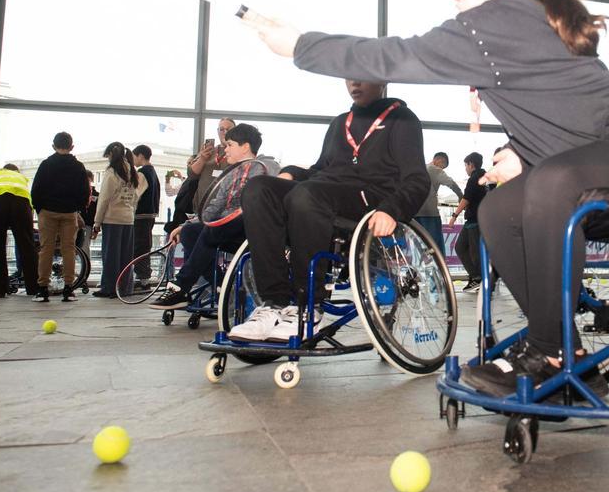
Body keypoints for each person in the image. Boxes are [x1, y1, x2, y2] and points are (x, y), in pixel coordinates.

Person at [249, 0, 609, 396]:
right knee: (499, 209)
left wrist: (300, 46)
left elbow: (398, 56)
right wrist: (518, 152)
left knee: (550, 183)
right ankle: (568, 355)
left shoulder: (501, 17)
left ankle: (552, 351)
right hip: (594, 153)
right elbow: (559, 100)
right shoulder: (516, 20)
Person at [227, 79, 429, 343]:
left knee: (306, 194)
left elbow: (417, 179)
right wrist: (294, 173)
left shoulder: (402, 119)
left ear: (381, 79)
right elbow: (321, 170)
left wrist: (391, 210)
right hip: (321, 193)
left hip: (369, 200)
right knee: (257, 188)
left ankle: (307, 305)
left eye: (362, 73)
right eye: (349, 75)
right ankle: (274, 303)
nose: (355, 82)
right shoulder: (340, 123)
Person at [149, 124, 279, 310]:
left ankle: (181, 286)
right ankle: (221, 285)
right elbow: (214, 206)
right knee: (190, 232)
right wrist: (186, 225)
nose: (225, 149)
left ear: (245, 146)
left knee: (213, 228)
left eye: (229, 145)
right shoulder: (230, 173)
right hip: (224, 229)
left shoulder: (267, 167)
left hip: (251, 229)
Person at [31, 132, 90, 302]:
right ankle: (68, 288)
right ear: (72, 146)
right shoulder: (78, 166)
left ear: (53, 146)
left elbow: (36, 190)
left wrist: (40, 208)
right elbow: (84, 191)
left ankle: (42, 289)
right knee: (69, 250)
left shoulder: (46, 165)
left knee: (46, 249)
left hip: (47, 212)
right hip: (69, 212)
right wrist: (77, 208)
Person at [92, 142, 146, 298]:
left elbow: (104, 199)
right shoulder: (132, 172)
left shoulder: (112, 173)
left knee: (111, 256)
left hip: (112, 218)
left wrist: (97, 222)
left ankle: (109, 288)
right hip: (128, 219)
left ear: (110, 155)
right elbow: (136, 197)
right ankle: (125, 288)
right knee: (126, 257)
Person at [0, 163, 38, 298]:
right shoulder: (21, 177)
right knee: (27, 247)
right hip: (20, 204)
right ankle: (33, 288)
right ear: (16, 171)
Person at [449, 152, 488, 292]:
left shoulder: (475, 178)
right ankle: (476, 277)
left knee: (475, 252)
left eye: (466, 165)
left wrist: (454, 216)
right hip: (473, 220)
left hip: (476, 220)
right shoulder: (484, 177)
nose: (465, 168)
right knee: (460, 247)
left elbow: (466, 198)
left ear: (471, 164)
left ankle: (479, 279)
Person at [414, 152, 463, 248]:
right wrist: (461, 196)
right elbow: (451, 183)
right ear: (439, 160)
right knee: (434, 245)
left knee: (418, 244)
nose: (442, 169)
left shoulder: (419, 168)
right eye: (443, 166)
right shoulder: (435, 170)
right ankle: (436, 263)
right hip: (429, 214)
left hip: (415, 213)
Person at [187, 118, 235, 215]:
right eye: (221, 129)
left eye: (228, 129)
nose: (225, 132)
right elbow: (191, 174)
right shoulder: (209, 151)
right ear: (218, 131)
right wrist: (202, 159)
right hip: (202, 206)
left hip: (226, 209)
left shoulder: (237, 152)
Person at [131, 144, 161, 288]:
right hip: (150, 214)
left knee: (139, 247)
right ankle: (143, 278)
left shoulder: (142, 173)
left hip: (141, 215)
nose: (133, 160)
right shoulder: (153, 172)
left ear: (140, 156)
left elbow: (135, 195)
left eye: (134, 157)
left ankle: (143, 279)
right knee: (144, 246)